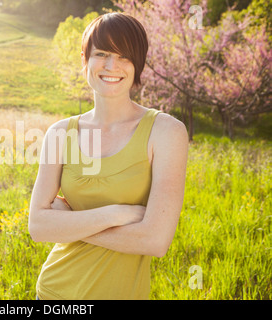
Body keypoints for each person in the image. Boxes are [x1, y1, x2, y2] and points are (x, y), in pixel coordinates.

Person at [28, 12, 188, 300]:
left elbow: (154, 241)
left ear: (138, 64)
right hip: (53, 293)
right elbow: (38, 226)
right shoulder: (60, 133)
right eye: (101, 53)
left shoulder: (166, 132)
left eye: (124, 56)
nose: (112, 65)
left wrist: (71, 223)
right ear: (84, 59)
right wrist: (116, 214)